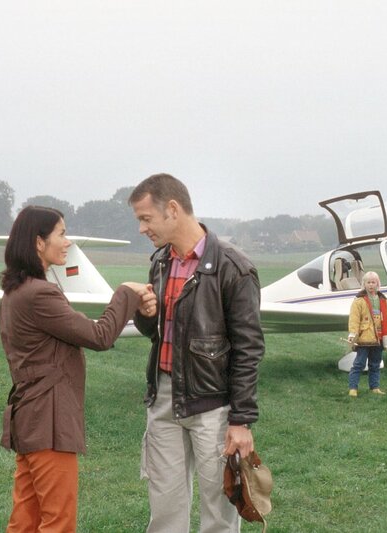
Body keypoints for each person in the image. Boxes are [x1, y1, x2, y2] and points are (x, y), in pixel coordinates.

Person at [0, 205, 155, 532]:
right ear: (39, 243)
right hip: (48, 422)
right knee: (59, 522)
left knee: (24, 521)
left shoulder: (17, 292)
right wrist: (125, 293)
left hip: (28, 419)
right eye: (62, 233)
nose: (67, 241)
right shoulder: (40, 293)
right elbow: (99, 336)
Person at [128, 173, 266, 533]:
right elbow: (157, 334)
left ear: (172, 210)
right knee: (164, 509)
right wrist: (148, 316)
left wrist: (241, 420)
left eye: (146, 218)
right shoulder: (160, 262)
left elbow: (249, 349)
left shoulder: (234, 267)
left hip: (213, 407)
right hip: (163, 399)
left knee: (220, 512)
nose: (142, 229)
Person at [346, 271, 387, 397]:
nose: (371, 285)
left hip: (378, 338)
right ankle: (353, 388)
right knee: (359, 364)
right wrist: (353, 335)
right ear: (364, 284)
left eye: (373, 282)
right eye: (368, 282)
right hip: (364, 338)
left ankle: (374, 387)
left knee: (375, 364)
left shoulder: (383, 299)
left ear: (377, 284)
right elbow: (354, 319)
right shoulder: (359, 300)